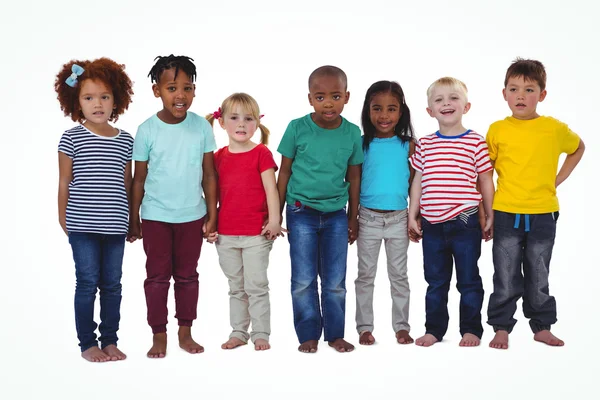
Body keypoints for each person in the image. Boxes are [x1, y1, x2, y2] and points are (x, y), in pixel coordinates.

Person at [486, 58, 585, 349]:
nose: (520, 95)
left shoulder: (554, 129)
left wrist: (557, 179)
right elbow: (484, 173)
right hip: (506, 212)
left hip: (543, 213)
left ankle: (541, 326)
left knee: (539, 271)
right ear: (504, 93)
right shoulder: (497, 130)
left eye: (529, 90)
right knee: (505, 273)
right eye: (514, 89)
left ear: (542, 95)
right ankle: (501, 326)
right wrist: (485, 210)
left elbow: (578, 148)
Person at [129, 55, 218, 358]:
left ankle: (185, 332)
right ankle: (158, 334)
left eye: (187, 88)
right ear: (157, 91)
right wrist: (134, 216)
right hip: (155, 215)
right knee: (156, 277)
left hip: (192, 215)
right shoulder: (147, 130)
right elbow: (138, 178)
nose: (180, 95)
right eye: (171, 88)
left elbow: (209, 173)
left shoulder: (202, 128)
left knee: (187, 276)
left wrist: (213, 213)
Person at [277, 65, 363, 353]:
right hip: (301, 211)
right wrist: (276, 213)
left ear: (347, 97)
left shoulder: (352, 133)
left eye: (336, 96)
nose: (328, 103)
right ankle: (308, 334)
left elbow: (353, 177)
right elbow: (284, 172)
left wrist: (353, 217)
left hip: (337, 214)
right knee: (302, 279)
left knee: (335, 280)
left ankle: (336, 334)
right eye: (321, 97)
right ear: (310, 99)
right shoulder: (296, 128)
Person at [56, 57, 134, 362]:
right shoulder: (72, 137)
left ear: (116, 99)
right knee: (87, 283)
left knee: (112, 285)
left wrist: (131, 220)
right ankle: (87, 343)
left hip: (115, 226)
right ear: (77, 101)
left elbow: (126, 184)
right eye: (89, 97)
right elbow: (64, 181)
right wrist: (64, 219)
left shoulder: (125, 140)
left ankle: (110, 340)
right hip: (82, 227)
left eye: (104, 96)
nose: (97, 103)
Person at [408, 77, 494, 347]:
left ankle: (471, 330)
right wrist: (413, 214)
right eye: (439, 99)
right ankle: (434, 330)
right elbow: (418, 180)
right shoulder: (426, 144)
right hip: (432, 224)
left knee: (468, 279)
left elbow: (485, 180)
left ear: (466, 106)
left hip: (465, 220)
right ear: (429, 111)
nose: (446, 103)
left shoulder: (475, 142)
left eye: (453, 98)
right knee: (435, 281)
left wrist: (489, 214)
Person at [205, 93, 283, 351]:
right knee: (236, 287)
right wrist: (210, 224)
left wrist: (274, 221)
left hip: (256, 235)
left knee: (257, 286)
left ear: (257, 123)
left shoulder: (261, 153)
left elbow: (272, 190)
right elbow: (210, 194)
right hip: (226, 235)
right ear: (223, 123)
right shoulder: (217, 157)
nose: (241, 124)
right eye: (234, 118)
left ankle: (261, 333)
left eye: (248, 119)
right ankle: (239, 331)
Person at [354, 80, 416, 346]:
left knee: (399, 276)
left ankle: (401, 326)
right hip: (367, 218)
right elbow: (352, 183)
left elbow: (416, 184)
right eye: (377, 108)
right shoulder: (360, 144)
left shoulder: (409, 145)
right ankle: (364, 328)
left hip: (399, 219)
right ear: (368, 110)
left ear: (401, 112)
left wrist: (416, 216)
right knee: (366, 275)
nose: (384, 116)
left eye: (391, 109)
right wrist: (352, 219)